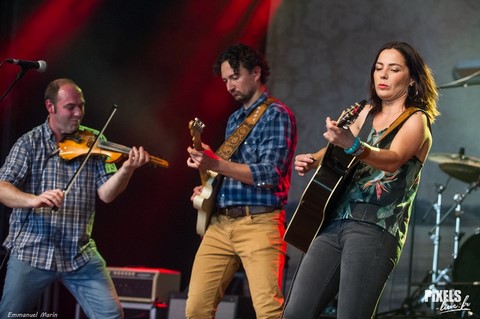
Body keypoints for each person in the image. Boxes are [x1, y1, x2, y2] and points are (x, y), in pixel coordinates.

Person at [282, 41, 439, 319]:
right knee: (295, 312)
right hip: (333, 222)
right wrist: (315, 158)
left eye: (393, 69)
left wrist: (353, 145)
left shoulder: (417, 120)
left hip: (375, 229)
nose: (383, 75)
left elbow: (392, 158)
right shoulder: (365, 111)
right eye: (379, 68)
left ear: (412, 79)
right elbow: (343, 145)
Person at [0, 78, 152, 318]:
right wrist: (33, 199)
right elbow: (2, 187)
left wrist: (127, 169)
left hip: (78, 253)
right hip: (31, 251)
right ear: (51, 107)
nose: (78, 113)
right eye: (71, 107)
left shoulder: (93, 140)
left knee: (111, 315)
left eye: (81, 106)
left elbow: (106, 194)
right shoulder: (29, 143)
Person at [186, 43, 297, 319]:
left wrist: (216, 163)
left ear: (256, 72)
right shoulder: (235, 118)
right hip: (220, 224)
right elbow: (231, 171)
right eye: (225, 80)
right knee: (196, 309)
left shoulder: (277, 114)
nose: (229, 86)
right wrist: (210, 187)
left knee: (269, 313)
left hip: (259, 223)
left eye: (234, 77)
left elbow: (270, 174)